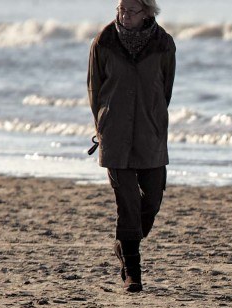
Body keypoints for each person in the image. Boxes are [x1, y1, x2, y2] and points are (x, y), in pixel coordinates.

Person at [87, 0, 176, 293]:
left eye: (131, 10)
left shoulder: (163, 44)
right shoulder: (104, 41)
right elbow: (95, 87)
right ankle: (132, 274)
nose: (124, 15)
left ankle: (123, 245)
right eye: (121, 9)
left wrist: (152, 117)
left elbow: (166, 89)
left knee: (151, 199)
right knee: (127, 203)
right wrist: (102, 123)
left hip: (150, 132)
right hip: (114, 132)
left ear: (148, 12)